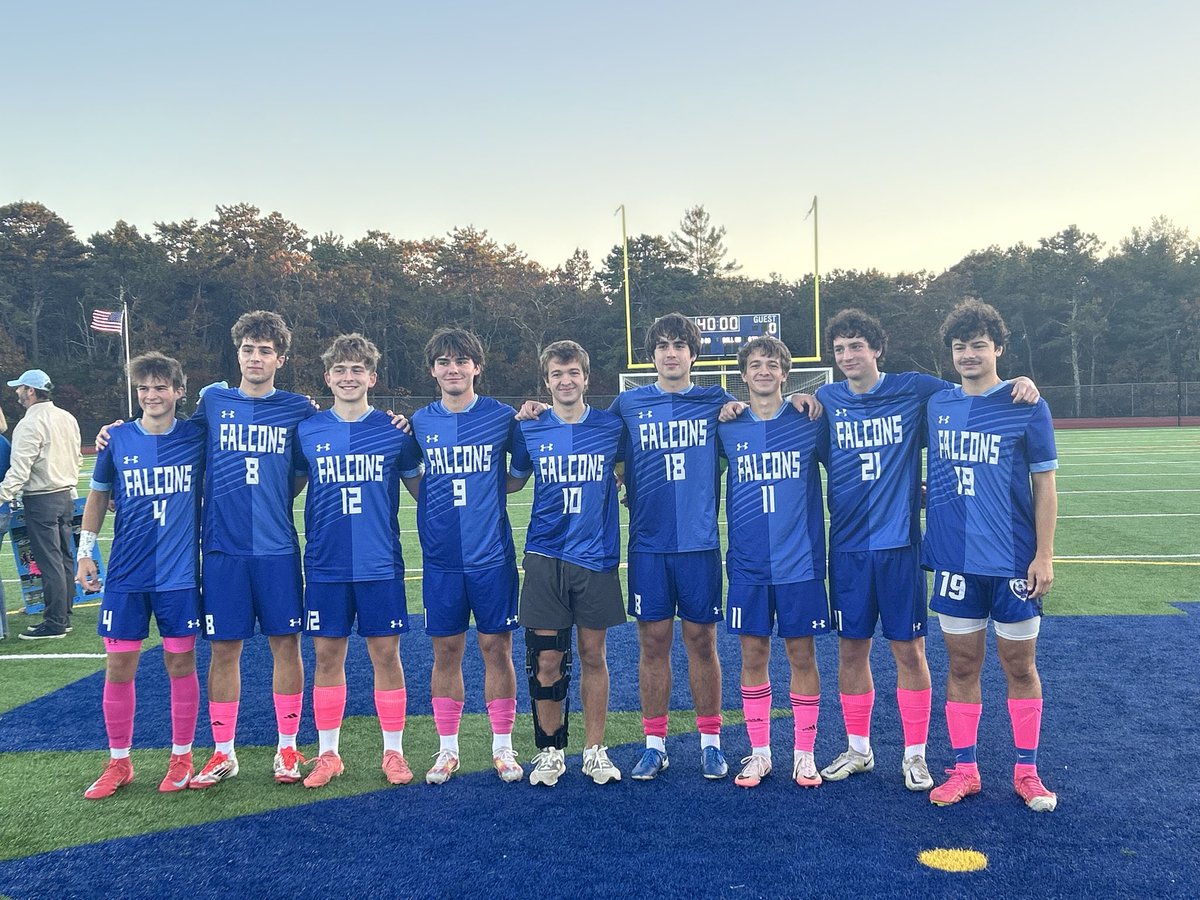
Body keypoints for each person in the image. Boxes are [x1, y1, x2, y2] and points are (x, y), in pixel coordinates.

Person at [815, 310, 1039, 791]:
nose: (849, 356)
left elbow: (975, 387)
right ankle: (858, 749)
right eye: (839, 349)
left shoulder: (917, 390)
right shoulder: (825, 400)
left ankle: (915, 756)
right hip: (848, 548)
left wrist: (1019, 380)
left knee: (910, 651)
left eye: (858, 345)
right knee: (851, 651)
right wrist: (793, 398)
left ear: (877, 349)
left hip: (900, 545)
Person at [606, 313, 819, 781]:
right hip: (648, 545)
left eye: (679, 344)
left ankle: (711, 742)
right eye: (662, 345)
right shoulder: (629, 403)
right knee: (653, 642)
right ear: (652, 355)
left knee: (703, 642)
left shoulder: (718, 404)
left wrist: (803, 397)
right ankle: (654, 743)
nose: (670, 352)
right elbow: (593, 439)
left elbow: (764, 417)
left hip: (700, 545)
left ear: (693, 354)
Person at [923, 300, 1058, 812]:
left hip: (1012, 561)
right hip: (956, 562)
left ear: (998, 348)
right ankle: (966, 769)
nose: (968, 354)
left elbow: (1045, 485)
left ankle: (1026, 771)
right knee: (961, 666)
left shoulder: (1027, 403)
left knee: (1020, 667)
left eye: (979, 344)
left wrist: (1044, 554)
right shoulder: (937, 403)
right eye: (960, 346)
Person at [296, 334, 424, 788]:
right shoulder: (308, 429)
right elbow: (285, 486)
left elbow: (421, 493)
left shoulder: (395, 431)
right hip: (327, 562)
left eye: (357, 370)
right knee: (326, 655)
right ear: (327, 377)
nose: (348, 378)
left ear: (371, 377)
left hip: (379, 562)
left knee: (386, 655)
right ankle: (328, 754)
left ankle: (394, 752)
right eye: (339, 370)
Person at [77, 353, 205, 798]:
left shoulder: (196, 436)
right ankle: (118, 763)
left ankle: (182, 756)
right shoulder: (117, 439)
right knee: (119, 667)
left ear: (178, 391)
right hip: (127, 575)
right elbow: (96, 497)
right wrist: (85, 553)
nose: (152, 395)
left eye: (160, 387)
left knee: (180, 663)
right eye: (144, 388)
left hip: (179, 576)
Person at [507, 340, 626, 786]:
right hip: (545, 554)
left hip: (595, 558)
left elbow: (632, 467)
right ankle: (551, 749)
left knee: (594, 655)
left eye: (573, 372)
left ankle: (595, 749)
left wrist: (620, 481)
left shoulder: (612, 426)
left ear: (586, 377)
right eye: (557, 375)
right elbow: (514, 482)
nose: (565, 381)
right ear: (547, 381)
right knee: (546, 658)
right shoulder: (529, 427)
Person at [407, 328, 522, 785]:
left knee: (497, 648)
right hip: (441, 558)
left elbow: (519, 474)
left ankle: (503, 747)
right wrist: (434, 500)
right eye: (443, 362)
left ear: (477, 367)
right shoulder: (419, 421)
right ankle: (447, 749)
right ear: (433, 369)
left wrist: (488, 494)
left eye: (461, 361)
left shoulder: (501, 418)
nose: (452, 369)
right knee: (446, 650)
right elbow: (408, 470)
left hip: (491, 555)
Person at [716, 336, 830, 789]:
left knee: (802, 654)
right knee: (753, 653)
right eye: (755, 365)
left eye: (772, 364)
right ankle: (760, 752)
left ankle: (804, 754)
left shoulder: (808, 421)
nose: (763, 371)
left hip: (799, 561)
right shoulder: (726, 425)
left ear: (785, 373)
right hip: (747, 563)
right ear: (742, 375)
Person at [0, 369, 82, 640]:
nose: (17, 393)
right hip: (64, 494)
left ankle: (55, 621)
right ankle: (64, 613)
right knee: (64, 556)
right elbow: (77, 457)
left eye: (20, 388)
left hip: (41, 498)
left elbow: (20, 469)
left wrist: (2, 494)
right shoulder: (66, 417)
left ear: (31, 391)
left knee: (50, 561)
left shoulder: (29, 424)